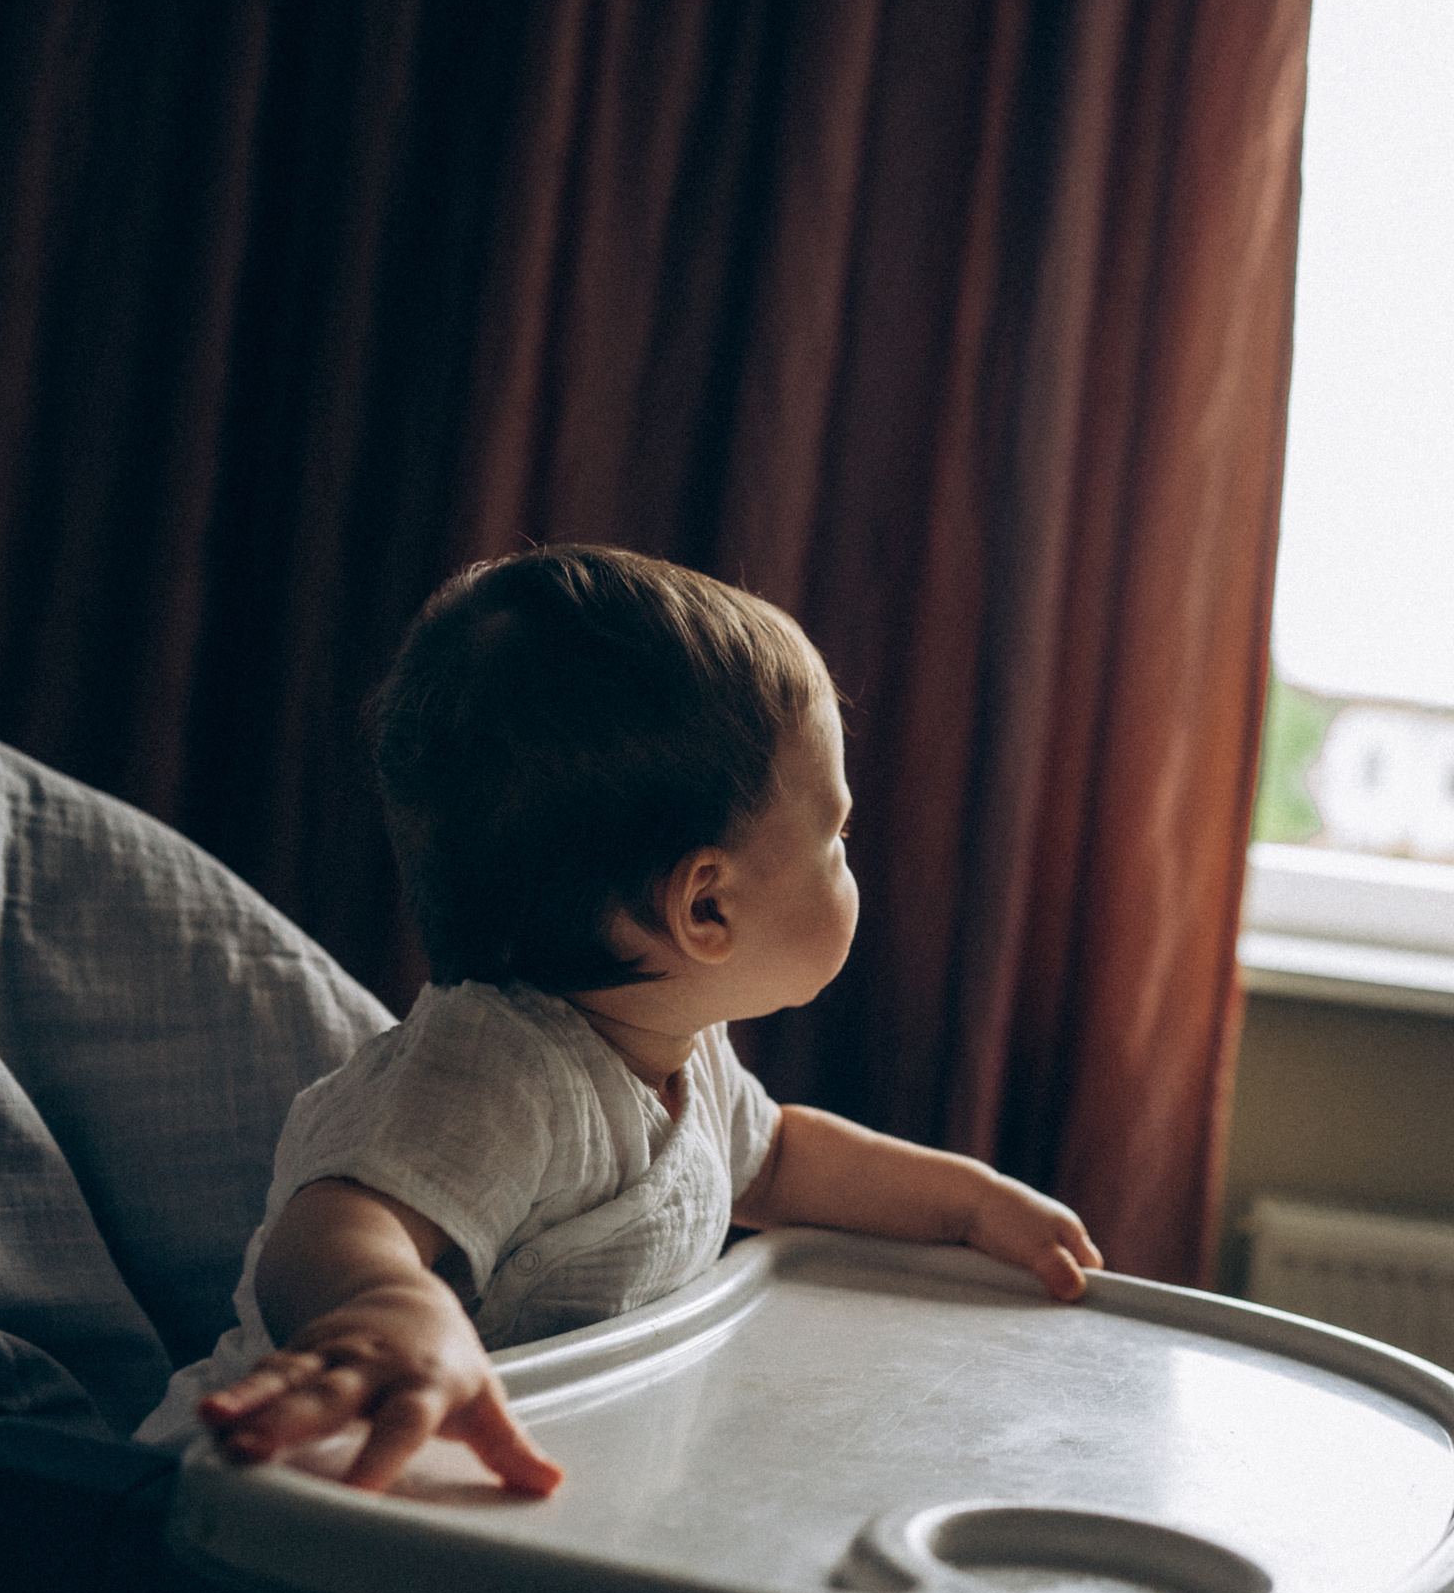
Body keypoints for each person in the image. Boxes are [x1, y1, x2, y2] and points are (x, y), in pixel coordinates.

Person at [135, 546, 1103, 1495]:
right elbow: (334, 1221)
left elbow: (778, 1163)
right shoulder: (500, 1075)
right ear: (707, 910)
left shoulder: (680, 1051)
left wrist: (969, 1204)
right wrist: (390, 1307)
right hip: (274, 1486)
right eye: (835, 837)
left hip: (502, 1481)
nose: (852, 856)